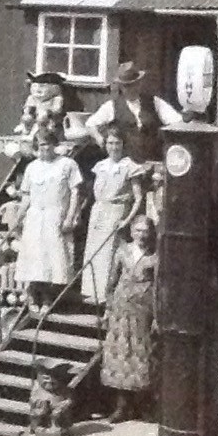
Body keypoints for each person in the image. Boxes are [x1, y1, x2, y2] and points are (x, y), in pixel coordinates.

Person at [13, 128, 83, 306]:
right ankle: (33, 294)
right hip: (35, 218)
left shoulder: (67, 164)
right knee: (35, 258)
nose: (44, 148)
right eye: (40, 145)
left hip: (55, 216)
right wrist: (18, 218)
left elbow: (75, 193)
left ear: (54, 144)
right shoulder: (32, 167)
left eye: (47, 144)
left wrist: (69, 217)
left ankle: (47, 298)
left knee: (52, 259)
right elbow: (27, 196)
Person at [101, 217, 159, 425]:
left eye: (145, 231)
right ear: (132, 232)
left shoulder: (155, 256)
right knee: (120, 356)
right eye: (138, 230)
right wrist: (108, 309)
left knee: (143, 355)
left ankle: (143, 405)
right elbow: (111, 281)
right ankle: (121, 406)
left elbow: (159, 287)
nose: (142, 235)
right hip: (121, 307)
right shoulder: (122, 251)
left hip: (143, 309)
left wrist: (157, 317)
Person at [80, 131, 145, 305]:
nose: (113, 147)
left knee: (110, 252)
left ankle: (106, 293)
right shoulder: (101, 165)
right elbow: (92, 192)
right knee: (94, 251)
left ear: (123, 144)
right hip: (99, 211)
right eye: (110, 143)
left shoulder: (129, 166)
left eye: (117, 143)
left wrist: (127, 220)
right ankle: (92, 290)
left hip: (117, 211)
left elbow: (138, 197)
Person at [84, 61, 183, 163]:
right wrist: (99, 138)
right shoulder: (112, 106)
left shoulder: (154, 102)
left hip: (153, 161)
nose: (131, 89)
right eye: (126, 86)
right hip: (125, 164)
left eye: (134, 85)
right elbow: (90, 124)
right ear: (121, 87)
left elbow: (176, 121)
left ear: (139, 83)